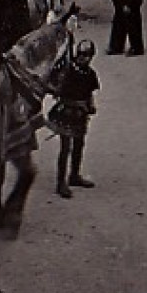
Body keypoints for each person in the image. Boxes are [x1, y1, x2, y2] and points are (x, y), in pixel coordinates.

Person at [47, 39, 100, 199]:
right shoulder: (68, 71)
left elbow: (90, 92)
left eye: (88, 56)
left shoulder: (90, 74)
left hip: (81, 113)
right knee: (65, 148)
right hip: (66, 112)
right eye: (83, 55)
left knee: (79, 145)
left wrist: (90, 105)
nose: (85, 59)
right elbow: (57, 90)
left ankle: (74, 175)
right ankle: (60, 182)